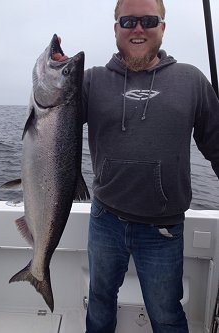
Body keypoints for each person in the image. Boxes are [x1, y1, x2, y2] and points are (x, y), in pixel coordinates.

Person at [56, 0, 219, 332]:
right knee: (99, 302)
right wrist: (56, 77)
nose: (138, 28)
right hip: (105, 220)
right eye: (128, 21)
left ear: (163, 26)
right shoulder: (90, 81)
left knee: (166, 313)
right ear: (116, 28)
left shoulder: (191, 80)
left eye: (148, 19)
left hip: (163, 228)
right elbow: (55, 125)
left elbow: (216, 144)